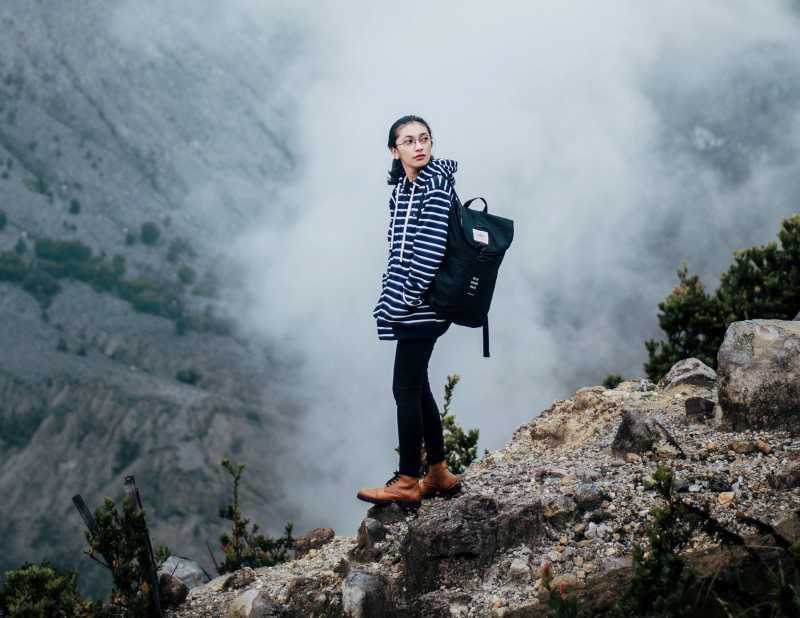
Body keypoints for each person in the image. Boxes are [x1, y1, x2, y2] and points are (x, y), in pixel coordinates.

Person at [356, 115, 462, 508]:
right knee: (419, 387)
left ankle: (406, 480)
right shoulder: (403, 189)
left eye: (424, 139)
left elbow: (430, 254)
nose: (419, 146)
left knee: (404, 388)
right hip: (415, 303)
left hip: (423, 306)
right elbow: (397, 249)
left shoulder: (434, 187)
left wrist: (405, 298)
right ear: (394, 150)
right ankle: (437, 473)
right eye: (409, 141)